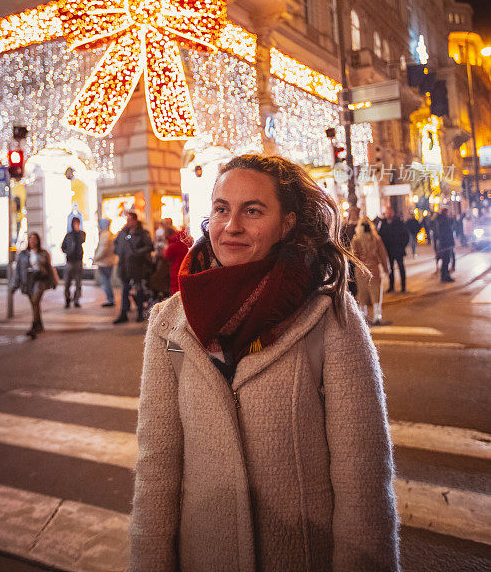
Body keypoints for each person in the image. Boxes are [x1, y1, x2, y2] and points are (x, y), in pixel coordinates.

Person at [130, 154, 399, 572]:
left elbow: (362, 480)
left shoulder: (330, 317)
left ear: (287, 222)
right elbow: (157, 467)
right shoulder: (171, 323)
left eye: (252, 211)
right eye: (221, 209)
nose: (231, 226)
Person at [12, 232, 58, 338]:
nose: (32, 241)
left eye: (35, 239)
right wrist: (15, 284)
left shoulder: (43, 253)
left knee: (35, 301)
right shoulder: (23, 254)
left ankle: (35, 324)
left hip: (40, 279)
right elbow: (18, 270)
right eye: (31, 239)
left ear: (38, 240)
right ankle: (39, 324)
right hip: (28, 280)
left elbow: (49, 268)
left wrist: (54, 281)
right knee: (34, 304)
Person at [113, 210, 154, 323]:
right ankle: (123, 313)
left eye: (130, 219)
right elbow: (116, 244)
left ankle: (140, 313)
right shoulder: (123, 233)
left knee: (138, 289)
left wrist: (136, 253)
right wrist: (118, 251)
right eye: (127, 220)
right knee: (125, 289)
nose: (128, 222)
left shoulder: (142, 233)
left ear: (135, 220)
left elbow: (149, 246)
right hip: (124, 265)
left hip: (137, 265)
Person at [351, 217, 390, 325]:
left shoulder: (356, 240)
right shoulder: (376, 239)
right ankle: (377, 316)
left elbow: (353, 257)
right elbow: (383, 255)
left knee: (362, 294)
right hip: (374, 269)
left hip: (361, 270)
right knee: (376, 293)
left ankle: (363, 317)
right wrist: (386, 269)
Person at [379, 206, 409, 293]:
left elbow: (405, 236)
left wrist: (402, 246)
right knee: (390, 269)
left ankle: (403, 287)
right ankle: (391, 286)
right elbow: (380, 236)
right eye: (387, 213)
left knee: (401, 268)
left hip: (398, 250)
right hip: (388, 251)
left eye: (390, 212)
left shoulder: (399, 223)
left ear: (393, 213)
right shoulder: (383, 223)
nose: (388, 214)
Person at [61, 216, 86, 308]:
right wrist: (68, 252)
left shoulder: (81, 234)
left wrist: (77, 231)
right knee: (67, 282)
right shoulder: (68, 235)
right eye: (74, 223)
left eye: (77, 223)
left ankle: (76, 300)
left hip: (78, 261)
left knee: (78, 282)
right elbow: (63, 246)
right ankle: (67, 299)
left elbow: (82, 240)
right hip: (69, 262)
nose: (76, 225)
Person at [93, 218, 117, 307]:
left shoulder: (105, 235)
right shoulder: (109, 234)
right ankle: (110, 299)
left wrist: (96, 259)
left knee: (106, 281)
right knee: (107, 281)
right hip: (108, 261)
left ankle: (110, 299)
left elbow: (103, 249)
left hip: (104, 262)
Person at [163, 226, 189, 295]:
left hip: (175, 268)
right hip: (184, 266)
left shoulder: (173, 244)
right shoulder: (182, 241)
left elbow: (166, 255)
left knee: (176, 288)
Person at [435, 208, 455, 282]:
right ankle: (445, 276)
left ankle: (445, 275)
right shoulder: (443, 221)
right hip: (445, 243)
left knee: (446, 260)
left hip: (445, 243)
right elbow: (446, 233)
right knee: (446, 260)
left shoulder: (443, 220)